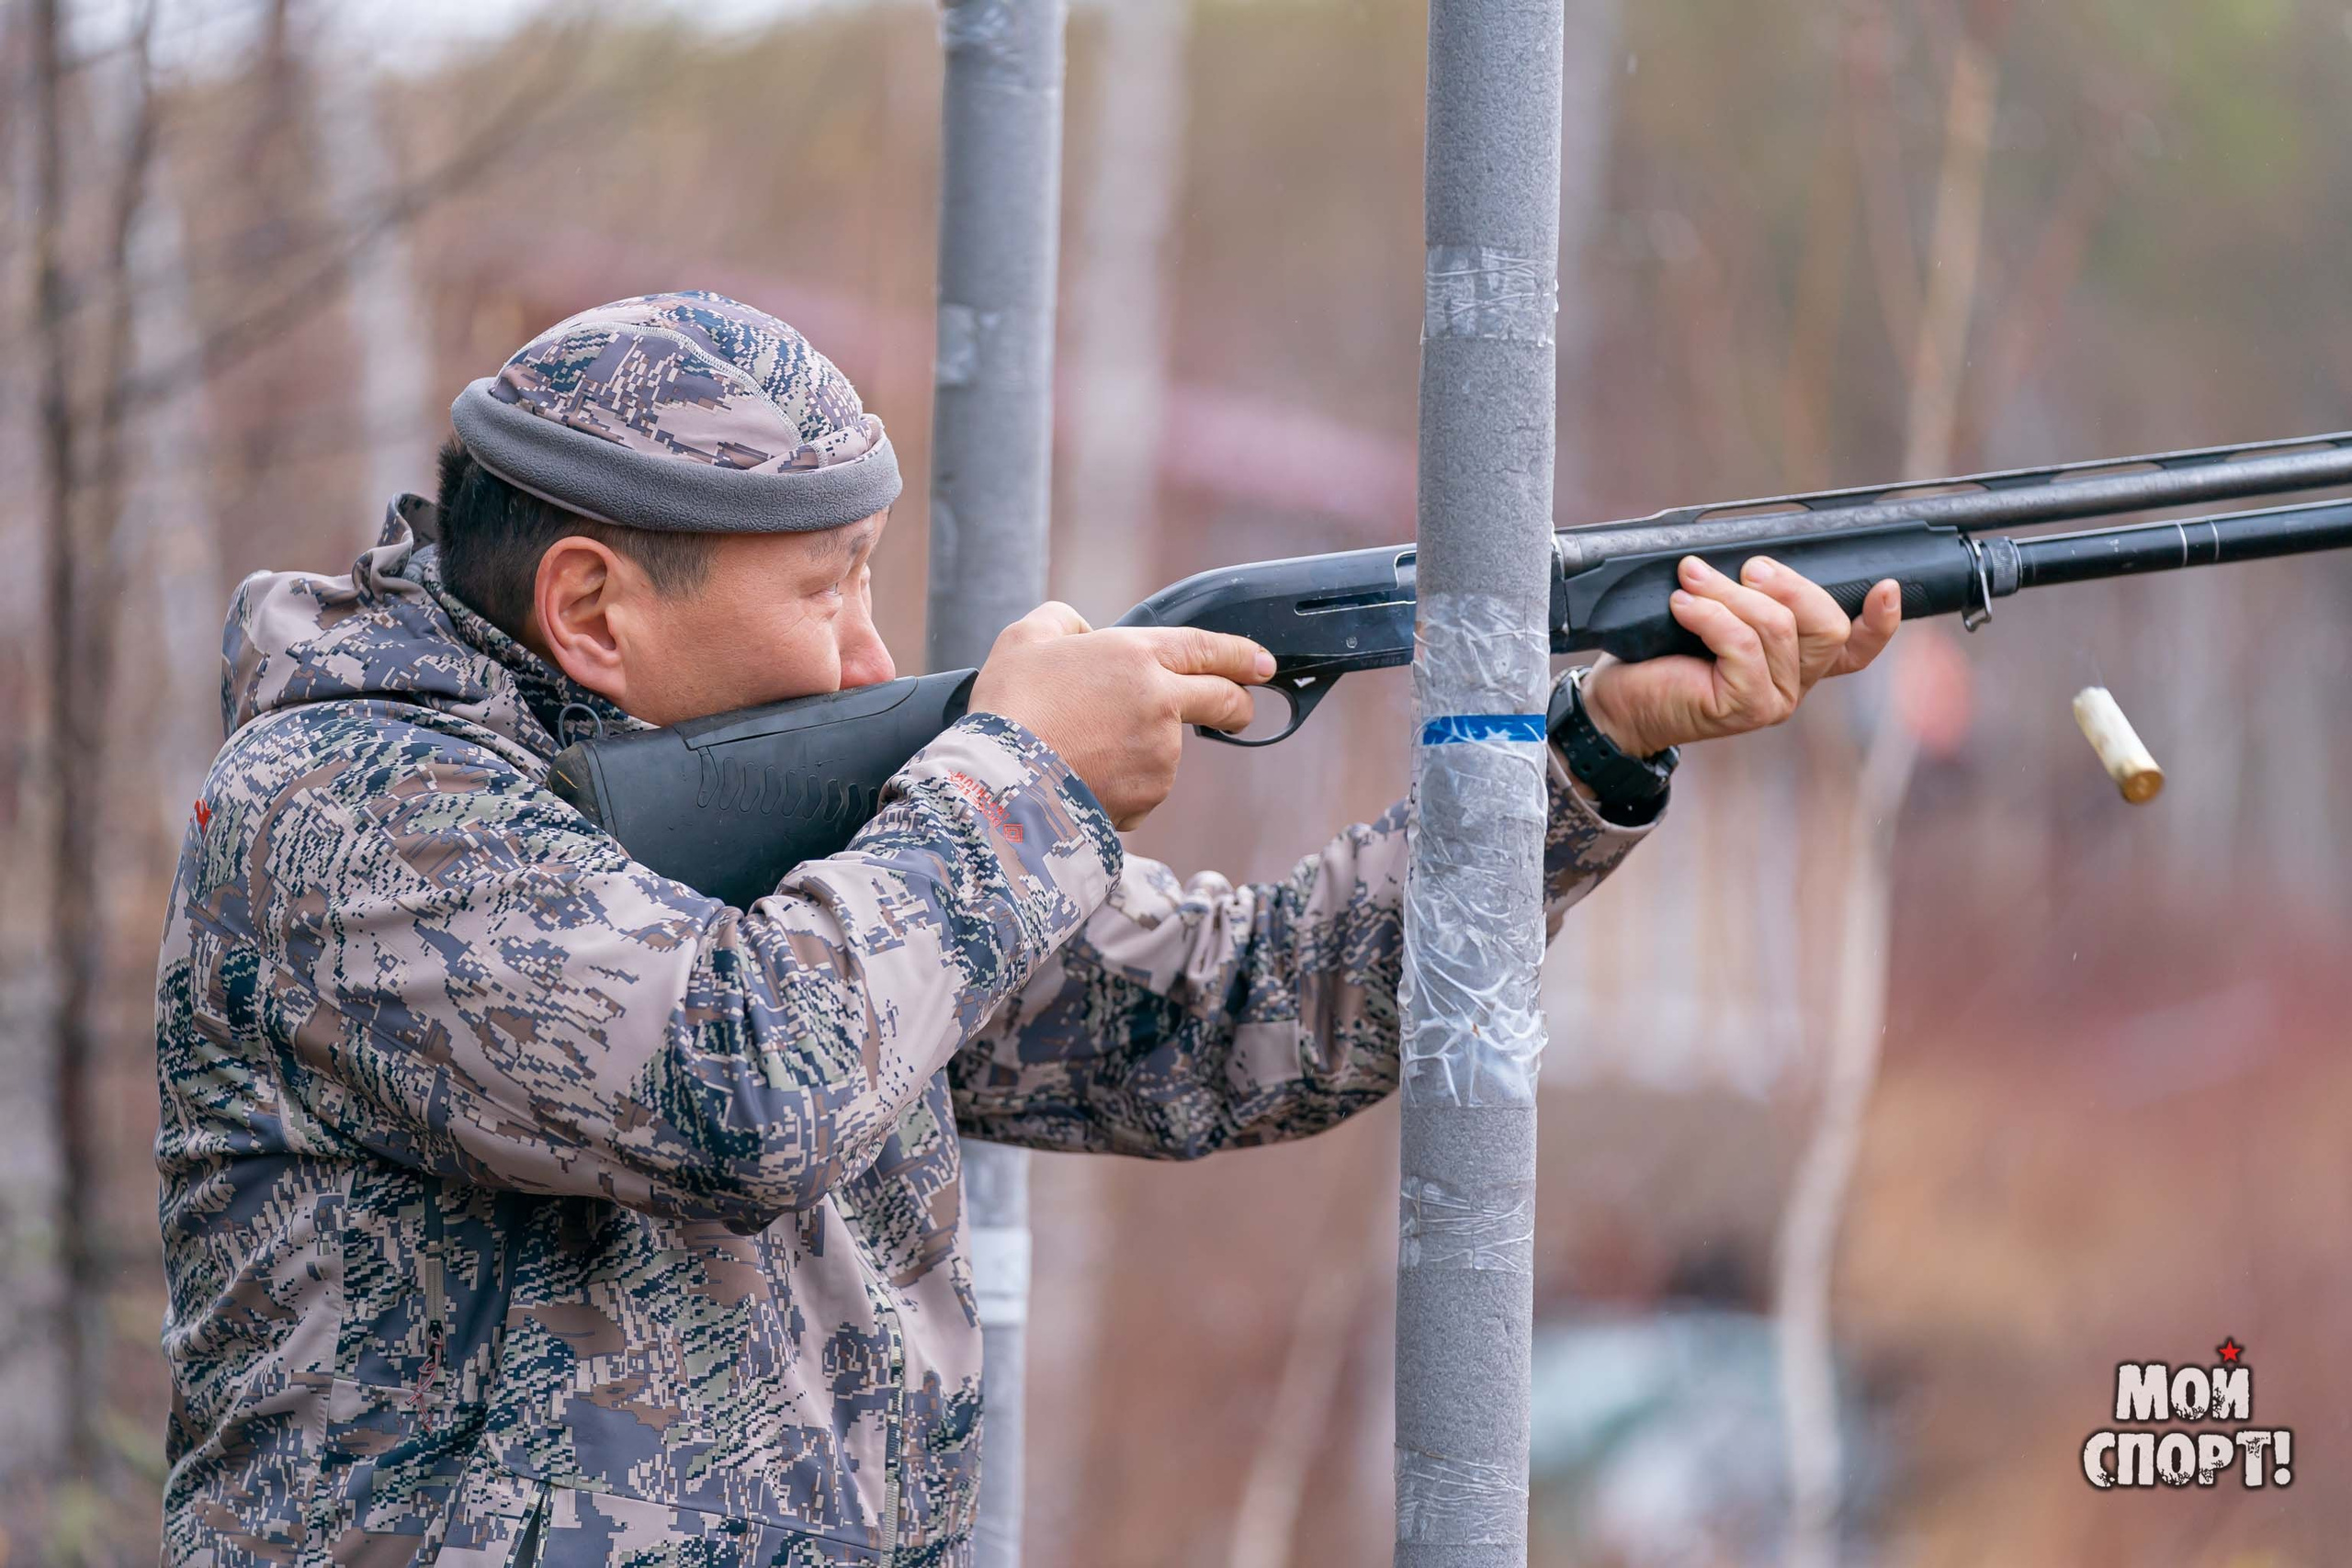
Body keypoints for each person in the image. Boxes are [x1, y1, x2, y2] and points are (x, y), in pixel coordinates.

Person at [154, 291, 1899, 1565]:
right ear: (593, 609)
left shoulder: (785, 818)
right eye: (825, 588)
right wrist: (1019, 784)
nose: (868, 653)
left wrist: (1590, 757)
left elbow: (1233, 1021)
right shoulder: (344, 817)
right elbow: (737, 1092)